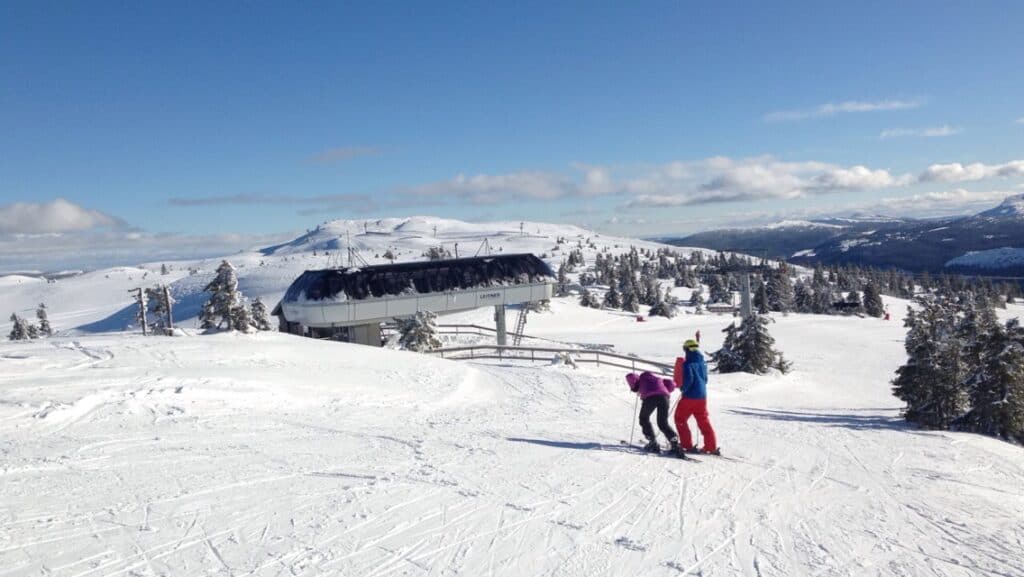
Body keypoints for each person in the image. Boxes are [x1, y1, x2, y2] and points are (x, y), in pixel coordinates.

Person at [673, 339, 719, 455]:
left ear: (687, 349)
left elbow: (689, 380)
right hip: (702, 397)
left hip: (689, 397)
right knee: (703, 421)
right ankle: (711, 446)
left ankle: (686, 445)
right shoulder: (702, 363)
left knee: (680, 419)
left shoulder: (688, 364)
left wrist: (683, 389)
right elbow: (706, 380)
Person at [625, 371, 679, 453]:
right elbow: (671, 383)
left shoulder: (641, 379)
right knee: (663, 423)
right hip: (665, 398)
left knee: (644, 418)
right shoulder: (658, 378)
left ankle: (652, 441)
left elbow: (630, 376)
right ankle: (674, 443)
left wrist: (633, 387)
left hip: (650, 398)